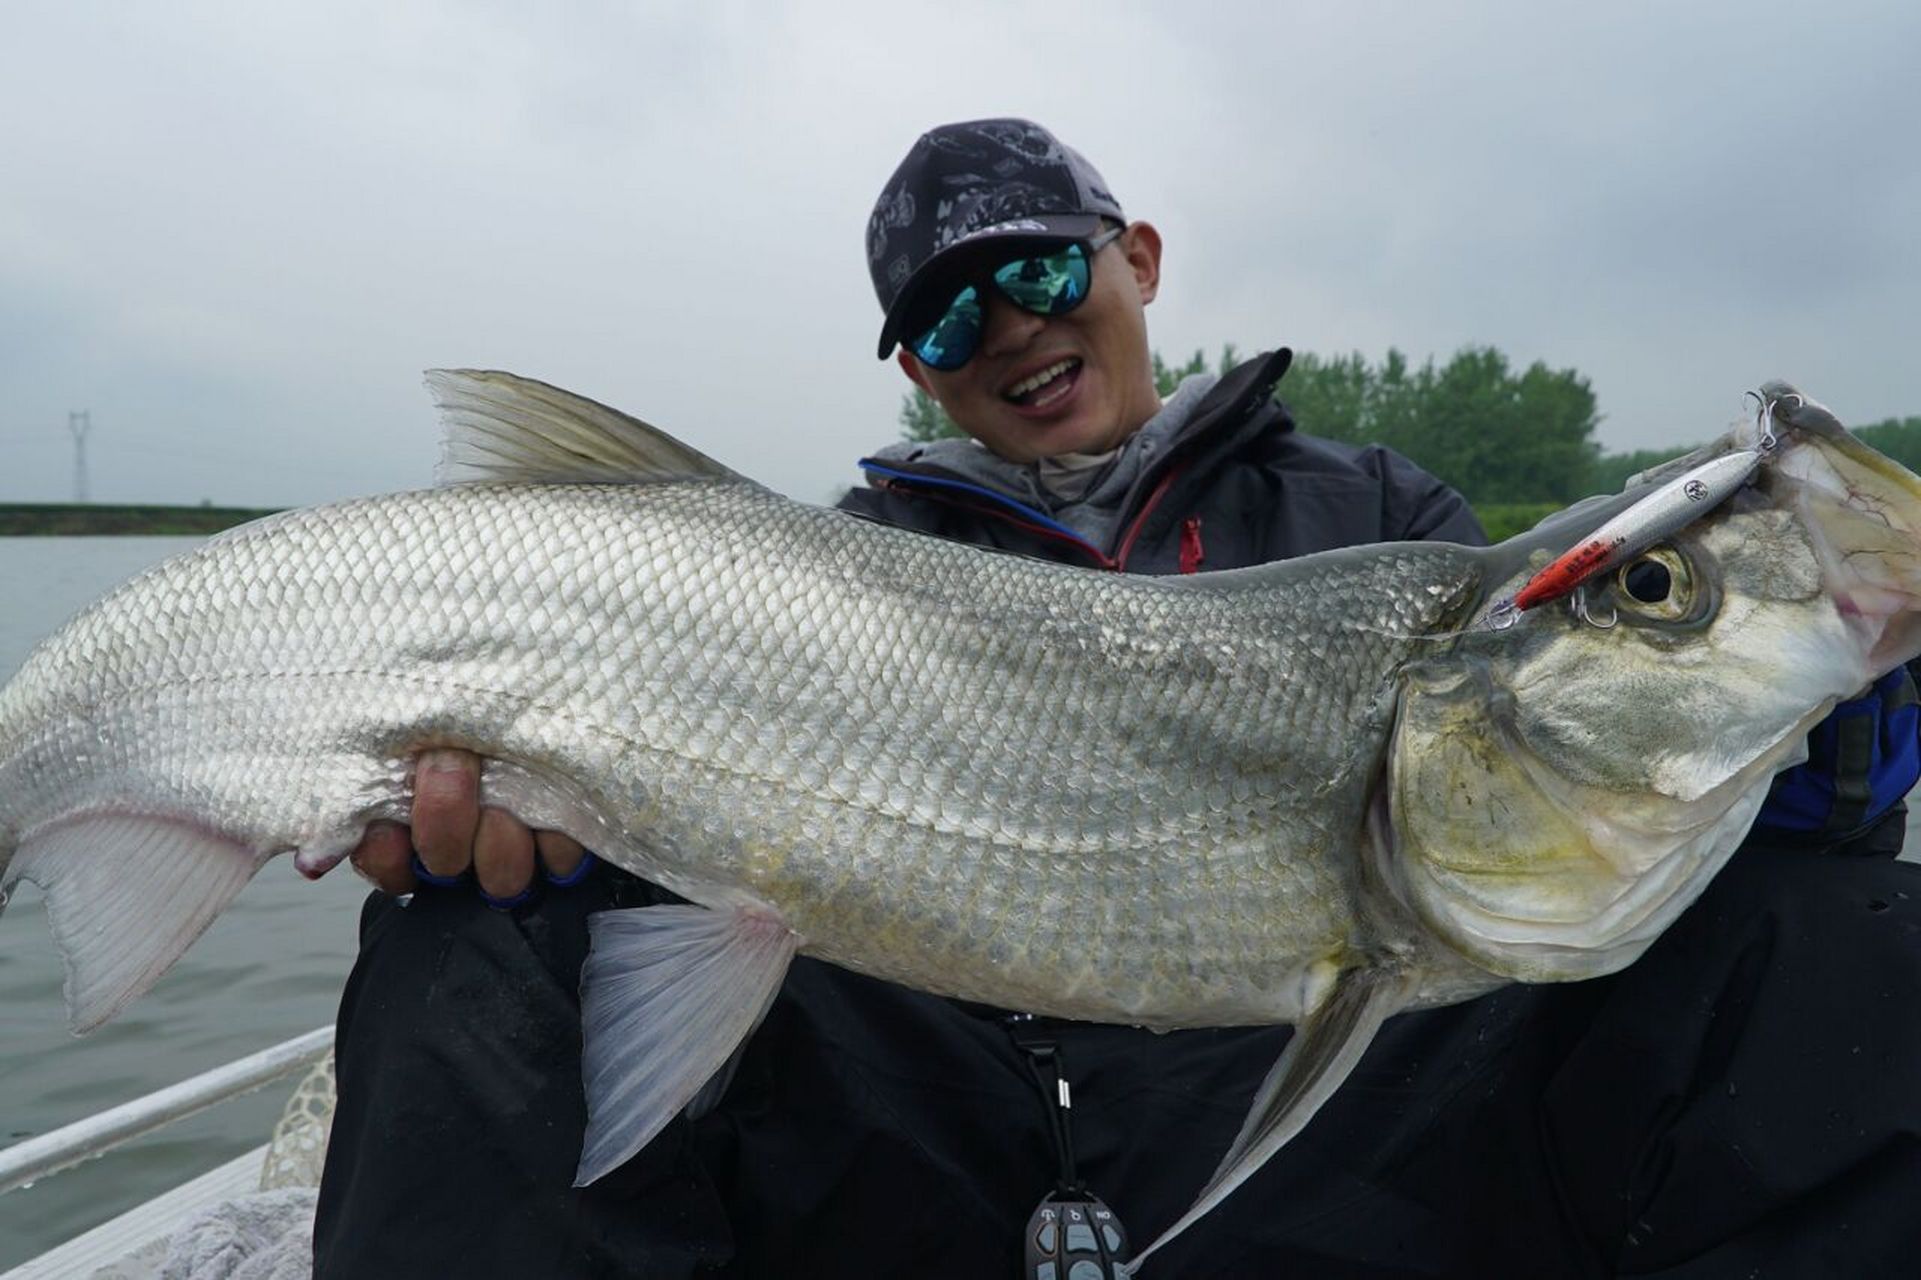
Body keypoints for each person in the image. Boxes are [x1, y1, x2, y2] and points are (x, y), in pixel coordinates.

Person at [315, 119, 1921, 1278]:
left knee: (1831, 933)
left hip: (1349, 1101)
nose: (1010, 326)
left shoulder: (1387, 516)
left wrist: (1805, 750)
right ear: (916, 370)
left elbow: (1561, 776)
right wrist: (566, 842)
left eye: (1035, 267)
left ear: (1135, 259)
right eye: (950, 314)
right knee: (471, 943)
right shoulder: (819, 570)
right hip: (929, 1097)